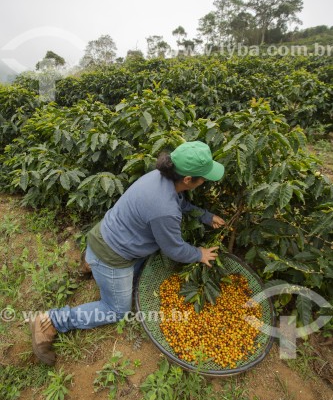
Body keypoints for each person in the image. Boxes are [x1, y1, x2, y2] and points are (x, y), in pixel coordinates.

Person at [29, 141, 225, 365]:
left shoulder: (159, 178)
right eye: (204, 178)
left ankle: (89, 263)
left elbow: (179, 203)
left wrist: (205, 215)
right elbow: (174, 249)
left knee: (136, 267)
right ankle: (50, 321)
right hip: (113, 253)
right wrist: (199, 254)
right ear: (188, 180)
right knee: (116, 311)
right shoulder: (164, 211)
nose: (205, 181)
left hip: (105, 232)